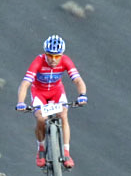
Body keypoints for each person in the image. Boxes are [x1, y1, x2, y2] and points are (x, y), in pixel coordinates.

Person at [15, 34, 87, 168]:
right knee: (41, 118)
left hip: (57, 92)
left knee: (64, 115)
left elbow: (78, 80)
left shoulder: (66, 61)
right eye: (50, 55)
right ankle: (41, 149)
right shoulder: (38, 61)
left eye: (57, 56)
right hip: (39, 92)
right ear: (45, 53)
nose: (53, 59)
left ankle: (66, 152)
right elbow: (25, 83)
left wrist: (82, 95)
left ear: (62, 55)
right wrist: (21, 102)